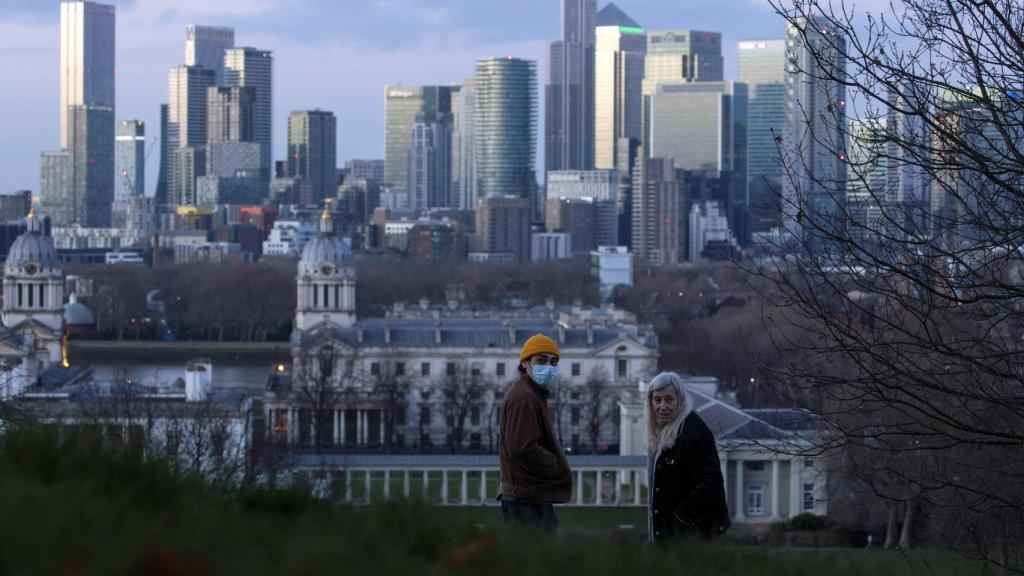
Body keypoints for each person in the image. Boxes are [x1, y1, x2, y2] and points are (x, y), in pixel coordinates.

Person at [498, 333, 572, 531]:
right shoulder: (525, 398)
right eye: (541, 360)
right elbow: (522, 448)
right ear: (525, 364)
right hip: (526, 497)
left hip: (528, 494)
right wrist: (555, 465)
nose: (548, 367)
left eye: (553, 362)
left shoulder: (531, 394)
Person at [646, 371, 730, 542]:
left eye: (669, 399)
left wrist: (681, 520)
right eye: (657, 400)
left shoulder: (692, 434)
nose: (662, 407)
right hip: (677, 537)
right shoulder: (667, 430)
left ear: (680, 399)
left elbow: (712, 483)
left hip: (692, 539)